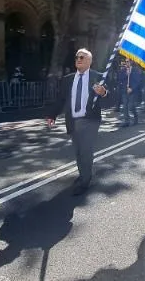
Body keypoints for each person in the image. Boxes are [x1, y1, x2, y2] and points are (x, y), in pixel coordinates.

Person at [47, 48, 109, 196]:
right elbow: (61, 99)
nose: (78, 59)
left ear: (89, 61)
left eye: (82, 57)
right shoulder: (68, 79)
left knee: (86, 151)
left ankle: (85, 181)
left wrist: (104, 92)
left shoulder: (98, 77)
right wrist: (52, 115)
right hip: (73, 121)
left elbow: (111, 95)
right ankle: (83, 174)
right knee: (78, 152)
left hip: (90, 121)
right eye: (77, 57)